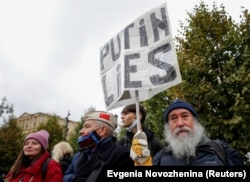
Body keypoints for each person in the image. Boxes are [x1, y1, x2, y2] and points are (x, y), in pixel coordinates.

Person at [152, 99, 245, 166]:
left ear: (195, 121)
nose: (180, 123)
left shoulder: (221, 150)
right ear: (168, 126)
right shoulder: (159, 159)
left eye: (185, 116)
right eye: (173, 118)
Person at [72, 111, 134, 182]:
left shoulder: (122, 156)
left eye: (87, 126)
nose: (81, 131)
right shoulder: (81, 155)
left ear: (102, 130)